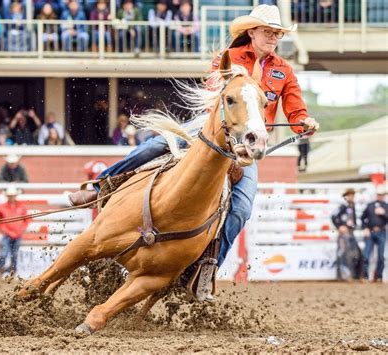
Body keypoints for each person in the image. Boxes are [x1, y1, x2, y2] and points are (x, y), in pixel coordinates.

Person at [67, 4, 320, 300]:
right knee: (156, 144)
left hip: (247, 143)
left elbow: (295, 111)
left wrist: (305, 123)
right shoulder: (229, 59)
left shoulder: (283, 71)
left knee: (240, 209)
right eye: (268, 31)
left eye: (277, 33)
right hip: (213, 127)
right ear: (251, 32)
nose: (273, 37)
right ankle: (100, 188)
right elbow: (213, 93)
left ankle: (205, 269)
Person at [0, 186, 30, 279]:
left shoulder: (22, 207)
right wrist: (6, 231)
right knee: (4, 253)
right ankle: (0, 274)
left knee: (14, 254)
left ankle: (12, 275)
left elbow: (27, 219)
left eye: (12, 195)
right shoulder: (2, 207)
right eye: (10, 196)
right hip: (7, 235)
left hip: (17, 234)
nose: (11, 197)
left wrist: (20, 230)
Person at [331, 188, 362, 280]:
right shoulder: (343, 206)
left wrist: (353, 225)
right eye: (349, 195)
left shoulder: (352, 206)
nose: (351, 197)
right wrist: (339, 226)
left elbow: (353, 220)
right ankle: (343, 275)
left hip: (350, 232)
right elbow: (333, 216)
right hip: (344, 234)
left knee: (355, 253)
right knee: (343, 253)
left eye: (352, 195)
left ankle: (353, 275)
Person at [361, 185, 387, 282]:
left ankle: (379, 276)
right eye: (379, 194)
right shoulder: (370, 205)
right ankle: (365, 276)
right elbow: (363, 218)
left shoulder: (386, 206)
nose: (380, 196)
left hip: (381, 232)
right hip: (370, 232)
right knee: (366, 255)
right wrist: (365, 228)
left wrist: (384, 213)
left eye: (382, 194)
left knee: (381, 256)